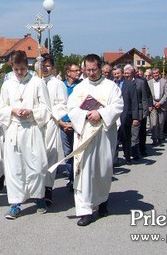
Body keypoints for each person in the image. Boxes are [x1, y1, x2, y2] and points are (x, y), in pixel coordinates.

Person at [67, 54, 123, 226]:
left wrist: (101, 113)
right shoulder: (80, 88)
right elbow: (71, 108)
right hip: (85, 134)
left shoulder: (111, 87)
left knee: (102, 170)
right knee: (83, 171)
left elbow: (118, 106)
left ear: (100, 68)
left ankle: (102, 201)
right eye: (88, 70)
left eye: (94, 69)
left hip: (103, 135)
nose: (91, 73)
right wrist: (86, 114)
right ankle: (85, 210)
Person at [0, 50, 51, 219]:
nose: (20, 72)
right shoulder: (7, 85)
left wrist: (31, 111)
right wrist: (12, 110)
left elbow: (46, 109)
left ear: (28, 66)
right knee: (14, 168)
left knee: (37, 166)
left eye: (22, 69)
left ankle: (39, 197)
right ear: (12, 67)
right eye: (16, 69)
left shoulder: (37, 83)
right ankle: (15, 203)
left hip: (32, 129)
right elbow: (0, 109)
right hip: (14, 130)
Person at [40, 53, 67, 206]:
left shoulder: (57, 84)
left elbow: (63, 104)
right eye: (42, 65)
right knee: (37, 156)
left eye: (48, 66)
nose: (45, 68)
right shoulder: (35, 82)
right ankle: (38, 188)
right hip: (36, 123)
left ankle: (48, 187)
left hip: (50, 123)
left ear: (53, 67)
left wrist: (52, 114)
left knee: (50, 155)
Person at [58, 62, 82, 192]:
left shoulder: (82, 87)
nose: (78, 72)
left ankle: (79, 178)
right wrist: (61, 122)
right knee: (68, 153)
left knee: (79, 152)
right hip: (63, 124)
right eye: (75, 70)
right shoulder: (61, 86)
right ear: (68, 72)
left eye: (79, 70)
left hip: (77, 125)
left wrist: (75, 123)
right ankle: (71, 178)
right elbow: (56, 105)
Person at [124, 65, 152, 159]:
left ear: (133, 73)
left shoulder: (140, 83)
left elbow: (144, 98)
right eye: (125, 73)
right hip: (127, 111)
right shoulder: (123, 83)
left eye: (128, 73)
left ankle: (135, 153)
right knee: (128, 133)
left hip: (139, 110)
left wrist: (145, 111)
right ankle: (129, 151)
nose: (127, 75)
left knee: (136, 133)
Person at [112, 66, 139, 165]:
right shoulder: (112, 84)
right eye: (114, 74)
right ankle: (114, 160)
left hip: (126, 115)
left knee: (126, 138)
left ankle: (127, 156)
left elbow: (134, 101)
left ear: (122, 73)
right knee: (114, 138)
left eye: (118, 73)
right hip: (114, 116)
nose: (116, 76)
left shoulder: (130, 85)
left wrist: (135, 117)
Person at [147, 68, 167, 147]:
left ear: (159, 73)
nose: (155, 75)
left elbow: (166, 94)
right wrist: (154, 103)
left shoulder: (164, 81)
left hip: (161, 104)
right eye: (154, 73)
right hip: (153, 105)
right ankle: (154, 139)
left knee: (160, 122)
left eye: (157, 73)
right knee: (154, 123)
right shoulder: (149, 83)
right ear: (152, 74)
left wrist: (160, 103)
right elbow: (148, 95)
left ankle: (160, 137)